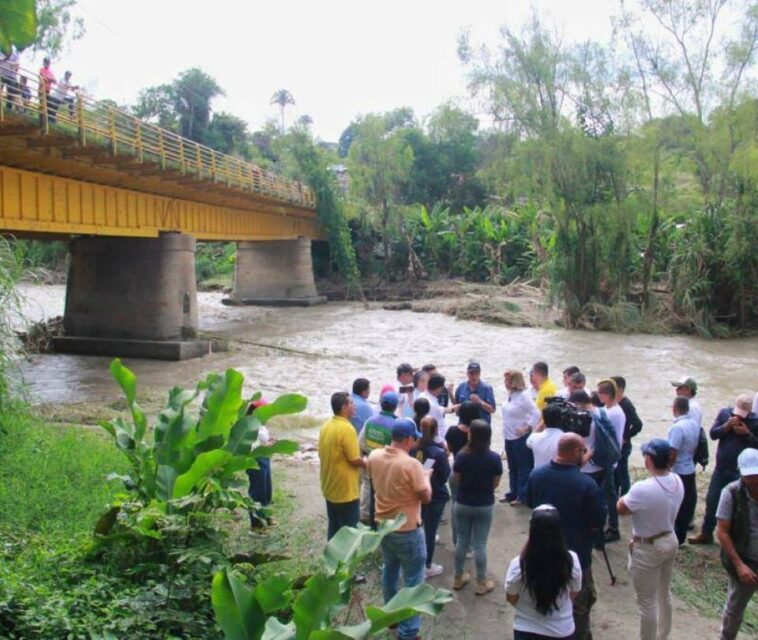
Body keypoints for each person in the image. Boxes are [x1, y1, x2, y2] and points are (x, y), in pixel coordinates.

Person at [527, 433, 606, 640]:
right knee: (579, 606)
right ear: (574, 452)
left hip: (540, 551)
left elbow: (530, 503)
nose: (585, 454)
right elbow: (598, 520)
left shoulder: (537, 474)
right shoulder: (586, 484)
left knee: (542, 598)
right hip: (577, 554)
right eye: (583, 450)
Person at [367, 418, 432, 640]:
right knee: (413, 580)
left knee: (390, 571)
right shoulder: (411, 464)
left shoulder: (374, 456)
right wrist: (426, 477)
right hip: (407, 529)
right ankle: (409, 632)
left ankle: (391, 618)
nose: (414, 442)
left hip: (384, 525)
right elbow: (426, 497)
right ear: (406, 439)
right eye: (413, 438)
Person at [617, 438, 684, 640]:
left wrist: (620, 498)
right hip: (669, 538)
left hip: (648, 545)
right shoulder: (677, 480)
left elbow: (622, 509)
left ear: (649, 460)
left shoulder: (643, 488)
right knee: (664, 593)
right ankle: (663, 635)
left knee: (647, 602)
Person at [506, 504, 582, 640]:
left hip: (527, 630)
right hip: (562, 630)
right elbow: (574, 592)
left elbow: (511, 597)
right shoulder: (571, 560)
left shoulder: (519, 564)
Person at [690, 394, 758, 545]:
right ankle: (707, 533)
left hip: (740, 473)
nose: (738, 417)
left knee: (737, 507)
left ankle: (734, 540)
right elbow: (713, 434)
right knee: (712, 501)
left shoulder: (755, 422)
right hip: (721, 468)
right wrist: (726, 427)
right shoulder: (724, 414)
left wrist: (748, 434)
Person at [452, 419, 502, 595]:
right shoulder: (494, 458)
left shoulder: (462, 456)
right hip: (484, 503)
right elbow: (495, 484)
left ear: (470, 435)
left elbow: (456, 480)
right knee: (480, 543)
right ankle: (481, 581)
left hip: (463, 502)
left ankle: (458, 577)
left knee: (462, 541)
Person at [715, 448, 758, 639]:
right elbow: (722, 532)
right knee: (734, 608)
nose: (754, 480)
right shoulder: (731, 493)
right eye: (750, 476)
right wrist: (740, 565)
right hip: (746, 558)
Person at [318, 392, 366, 539]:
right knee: (349, 527)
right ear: (344, 407)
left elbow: (320, 453)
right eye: (351, 403)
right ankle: (346, 559)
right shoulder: (347, 429)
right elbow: (354, 459)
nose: (354, 406)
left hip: (329, 485)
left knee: (334, 524)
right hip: (345, 490)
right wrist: (369, 462)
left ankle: (332, 556)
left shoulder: (326, 426)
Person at [411, 416, 451, 578]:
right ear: (436, 431)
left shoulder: (413, 448)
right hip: (435, 495)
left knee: (418, 525)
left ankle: (415, 558)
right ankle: (427, 565)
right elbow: (445, 476)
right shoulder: (439, 453)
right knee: (430, 530)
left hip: (417, 493)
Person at [358, 391, 399, 525]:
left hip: (369, 459)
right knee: (384, 490)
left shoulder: (370, 421)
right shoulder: (396, 425)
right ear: (395, 406)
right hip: (386, 463)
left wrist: (368, 453)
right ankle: (382, 517)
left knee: (367, 486)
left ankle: (364, 514)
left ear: (381, 404)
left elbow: (361, 441)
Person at [502, 369, 539, 506]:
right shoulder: (510, 395)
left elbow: (536, 413)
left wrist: (527, 427)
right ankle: (513, 492)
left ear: (514, 382)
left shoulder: (524, 396)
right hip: (509, 436)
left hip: (520, 437)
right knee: (512, 467)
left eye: (507, 380)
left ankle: (522, 495)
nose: (505, 383)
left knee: (523, 467)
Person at [666, 396, 700, 545]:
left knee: (676, 504)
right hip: (690, 468)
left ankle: (676, 536)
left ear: (675, 408)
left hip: (678, 470)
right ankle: (681, 534)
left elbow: (673, 452)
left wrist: (666, 469)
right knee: (687, 503)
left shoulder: (677, 427)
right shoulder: (694, 424)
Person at [445, 400, 479, 547]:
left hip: (456, 468)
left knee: (455, 504)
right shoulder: (479, 431)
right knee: (472, 505)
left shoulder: (452, 431)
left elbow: (448, 450)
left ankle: (457, 540)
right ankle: (470, 543)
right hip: (474, 471)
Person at [596, 379, 626, 543]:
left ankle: (613, 528)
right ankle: (609, 525)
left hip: (608, 458)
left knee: (608, 494)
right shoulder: (609, 409)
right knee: (607, 493)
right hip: (608, 457)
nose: (599, 396)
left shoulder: (614, 413)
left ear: (607, 394)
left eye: (600, 393)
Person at [611, 375, 644, 497]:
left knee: (622, 473)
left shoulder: (626, 405)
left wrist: (626, 437)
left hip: (623, 446)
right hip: (615, 444)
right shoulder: (614, 403)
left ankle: (625, 497)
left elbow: (638, 424)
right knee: (616, 474)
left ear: (620, 389)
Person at [246, 399, 274, 528]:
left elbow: (263, 440)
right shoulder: (249, 425)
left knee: (266, 489)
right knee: (257, 492)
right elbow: (250, 446)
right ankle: (256, 524)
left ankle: (266, 515)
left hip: (264, 458)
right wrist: (266, 445)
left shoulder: (261, 424)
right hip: (256, 460)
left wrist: (269, 442)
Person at [527, 403, 565, 469]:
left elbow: (529, 441)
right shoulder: (566, 439)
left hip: (539, 476)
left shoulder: (534, 438)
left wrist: (542, 423)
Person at [423, 372, 458, 441]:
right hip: (436, 440)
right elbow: (448, 410)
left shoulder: (424, 395)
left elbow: (444, 409)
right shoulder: (432, 404)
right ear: (439, 388)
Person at [0, 46, 20, 111]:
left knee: (11, 92)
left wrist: (11, 63)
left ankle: (8, 108)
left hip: (11, 75)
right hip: (2, 73)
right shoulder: (2, 48)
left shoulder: (16, 51)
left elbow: (17, 63)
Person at [39, 56, 57, 124]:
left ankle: (50, 120)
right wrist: (50, 79)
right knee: (42, 104)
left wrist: (49, 79)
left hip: (47, 90)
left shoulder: (50, 72)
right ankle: (41, 120)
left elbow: (55, 81)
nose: (46, 63)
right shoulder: (41, 69)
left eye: (47, 62)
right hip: (42, 89)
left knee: (49, 105)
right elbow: (42, 77)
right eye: (45, 61)